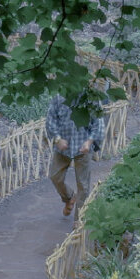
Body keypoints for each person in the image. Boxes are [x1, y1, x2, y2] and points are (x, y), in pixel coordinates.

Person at [45, 93, 105, 221]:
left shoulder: (91, 98)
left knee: (83, 185)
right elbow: (50, 120)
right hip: (63, 147)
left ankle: (79, 220)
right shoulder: (58, 97)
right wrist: (57, 138)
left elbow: (98, 123)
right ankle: (69, 197)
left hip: (83, 146)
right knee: (55, 176)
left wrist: (89, 141)